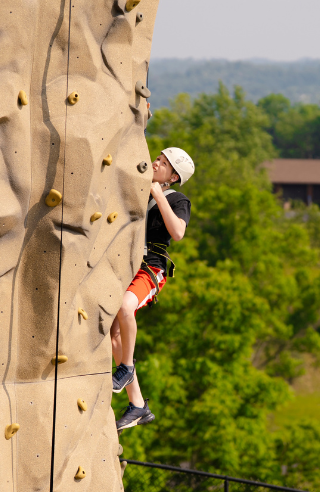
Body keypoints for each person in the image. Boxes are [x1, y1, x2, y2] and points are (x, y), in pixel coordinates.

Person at [111, 147, 195, 431]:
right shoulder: (140, 187)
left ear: (172, 176)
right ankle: (137, 406)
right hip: (126, 264)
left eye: (163, 163)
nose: (156, 163)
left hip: (151, 268)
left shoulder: (177, 200)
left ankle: (126, 367)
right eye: (157, 159)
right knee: (112, 335)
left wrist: (159, 196)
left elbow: (179, 232)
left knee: (125, 306)